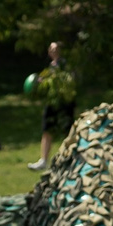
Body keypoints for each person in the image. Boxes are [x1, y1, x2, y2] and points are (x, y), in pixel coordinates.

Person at [27, 41, 77, 172]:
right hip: (52, 103)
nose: (52, 51)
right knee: (47, 129)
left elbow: (69, 81)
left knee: (68, 131)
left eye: (55, 49)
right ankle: (43, 160)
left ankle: (71, 159)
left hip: (64, 103)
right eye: (51, 49)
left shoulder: (66, 65)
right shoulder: (50, 66)